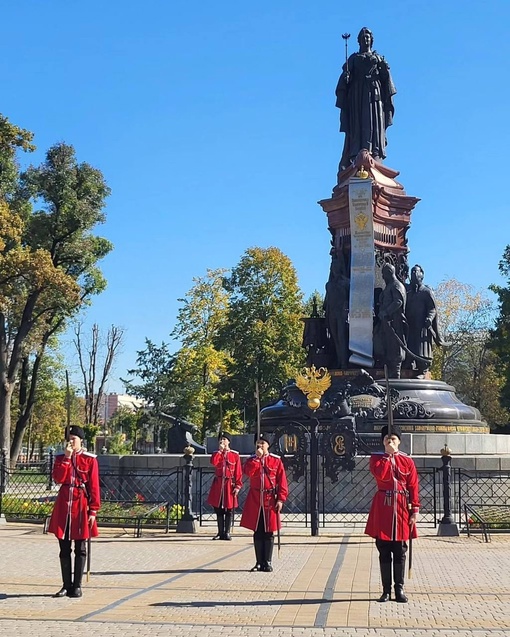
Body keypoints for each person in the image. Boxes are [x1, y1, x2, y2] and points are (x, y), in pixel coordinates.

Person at [365, 425, 420, 603]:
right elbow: (382, 476)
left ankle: (399, 588)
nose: (390, 441)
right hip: (384, 506)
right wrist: (388, 456)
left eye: (393, 439)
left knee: (400, 550)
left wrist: (415, 510)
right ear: (383, 441)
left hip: (402, 506)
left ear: (399, 441)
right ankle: (386, 590)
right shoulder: (376, 459)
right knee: (384, 549)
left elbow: (413, 486)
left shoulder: (407, 461)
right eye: (387, 439)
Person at [48, 425, 100, 598]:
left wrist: (93, 511)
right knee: (64, 548)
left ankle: (76, 586)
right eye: (68, 439)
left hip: (80, 506)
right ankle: (65, 585)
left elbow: (93, 487)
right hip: (64, 506)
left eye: (74, 439)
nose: (71, 442)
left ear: (81, 440)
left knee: (80, 547)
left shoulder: (89, 459)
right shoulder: (61, 458)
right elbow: (58, 478)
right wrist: (67, 458)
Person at [335, 27, 396, 172]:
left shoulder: (378, 58)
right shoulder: (353, 59)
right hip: (356, 96)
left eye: (368, 37)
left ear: (372, 40)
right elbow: (344, 80)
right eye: (362, 37)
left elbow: (386, 81)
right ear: (358, 40)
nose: (365, 39)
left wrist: (384, 69)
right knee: (357, 125)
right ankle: (357, 154)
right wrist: (346, 78)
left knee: (373, 123)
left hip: (374, 95)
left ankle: (375, 153)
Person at [240, 434, 288, 572]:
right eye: (258, 443)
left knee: (269, 531)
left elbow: (282, 481)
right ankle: (258, 562)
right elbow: (248, 472)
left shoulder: (275, 461)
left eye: (262, 443)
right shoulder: (251, 461)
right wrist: (257, 459)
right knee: (258, 530)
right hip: (255, 499)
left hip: (270, 498)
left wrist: (280, 499)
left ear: (268, 445)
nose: (260, 445)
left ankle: (267, 561)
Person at [404, 264, 443, 377]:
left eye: (416, 272)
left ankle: (422, 370)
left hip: (422, 325)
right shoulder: (408, 291)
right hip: (410, 325)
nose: (414, 274)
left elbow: (432, 308)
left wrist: (429, 318)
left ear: (422, 275)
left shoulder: (426, 291)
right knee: (409, 344)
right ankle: (409, 363)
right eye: (412, 272)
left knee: (421, 347)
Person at [207, 431, 242, 540]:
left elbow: (238, 472)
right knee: (218, 509)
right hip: (218, 484)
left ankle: (227, 532)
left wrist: (237, 486)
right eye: (220, 440)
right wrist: (219, 451)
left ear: (229, 441)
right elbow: (214, 462)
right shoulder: (216, 453)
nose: (222, 441)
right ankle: (220, 532)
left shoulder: (234, 455)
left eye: (224, 439)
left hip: (229, 484)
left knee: (229, 509)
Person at [374, 263, 407, 378]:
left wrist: (386, 312)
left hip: (394, 322)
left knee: (395, 347)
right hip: (385, 322)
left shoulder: (396, 285)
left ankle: (396, 372)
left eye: (383, 274)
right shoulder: (389, 286)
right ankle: (386, 369)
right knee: (382, 344)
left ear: (389, 273)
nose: (382, 277)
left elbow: (398, 302)